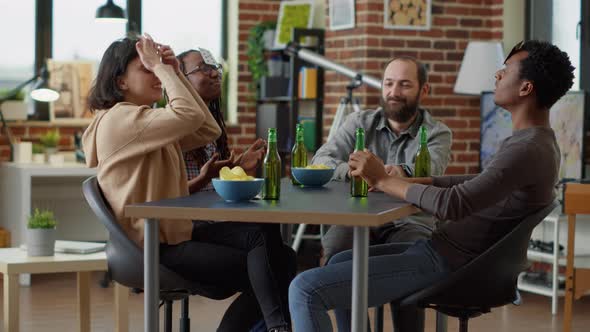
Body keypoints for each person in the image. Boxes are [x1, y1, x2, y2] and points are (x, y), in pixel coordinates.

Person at [288, 40, 574, 331]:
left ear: (525, 88)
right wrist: (409, 180)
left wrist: (384, 180)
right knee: (339, 260)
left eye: (506, 70)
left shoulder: (525, 149)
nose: (497, 76)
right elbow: (476, 183)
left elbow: (453, 204)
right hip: (446, 253)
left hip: (448, 263)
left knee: (304, 289)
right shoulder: (538, 143)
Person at [83, 35, 294, 332]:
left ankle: (275, 327)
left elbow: (206, 127)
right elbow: (191, 115)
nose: (155, 72)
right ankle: (278, 328)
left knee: (272, 245)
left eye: (153, 67)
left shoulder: (147, 121)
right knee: (275, 266)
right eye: (146, 68)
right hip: (154, 247)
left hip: (174, 234)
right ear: (121, 82)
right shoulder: (121, 120)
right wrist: (165, 68)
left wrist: (176, 72)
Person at [311, 56, 452, 329]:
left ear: (424, 90)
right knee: (335, 251)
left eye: (404, 85)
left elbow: (430, 169)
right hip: (357, 217)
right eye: (388, 83)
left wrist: (390, 173)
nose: (394, 92)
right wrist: (356, 171)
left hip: (410, 221)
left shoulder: (437, 133)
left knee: (411, 259)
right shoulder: (358, 122)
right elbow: (321, 159)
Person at [175, 47, 296, 332]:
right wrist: (210, 179)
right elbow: (169, 192)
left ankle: (272, 326)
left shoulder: (211, 127)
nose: (214, 72)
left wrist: (239, 165)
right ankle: (278, 326)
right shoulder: (172, 127)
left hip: (212, 223)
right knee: (271, 252)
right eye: (203, 69)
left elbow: (213, 184)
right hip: (185, 229)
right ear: (180, 80)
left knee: (284, 256)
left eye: (214, 66)